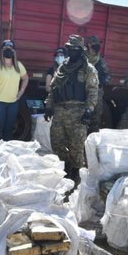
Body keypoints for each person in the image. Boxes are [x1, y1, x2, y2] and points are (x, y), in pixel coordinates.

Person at [45, 34, 98, 182]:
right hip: (60, 110)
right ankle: (67, 165)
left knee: (76, 146)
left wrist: (89, 111)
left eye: (74, 48)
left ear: (81, 50)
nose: (71, 51)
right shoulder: (63, 67)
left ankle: (76, 174)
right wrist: (49, 106)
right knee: (56, 143)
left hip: (78, 112)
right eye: (69, 48)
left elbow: (93, 92)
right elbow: (54, 88)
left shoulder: (88, 69)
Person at [0, 39, 29, 142]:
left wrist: (21, 91)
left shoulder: (18, 65)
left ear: (14, 51)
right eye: (6, 49)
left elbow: (25, 78)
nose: (8, 51)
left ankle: (6, 153)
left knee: (9, 130)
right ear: (2, 51)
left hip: (13, 103)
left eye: (11, 49)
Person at [85, 35, 112, 133]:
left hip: (97, 93)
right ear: (88, 45)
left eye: (97, 45)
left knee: (96, 118)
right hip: (83, 92)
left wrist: (100, 82)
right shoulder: (83, 58)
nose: (95, 47)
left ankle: (92, 140)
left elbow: (108, 76)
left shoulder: (100, 61)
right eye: (93, 45)